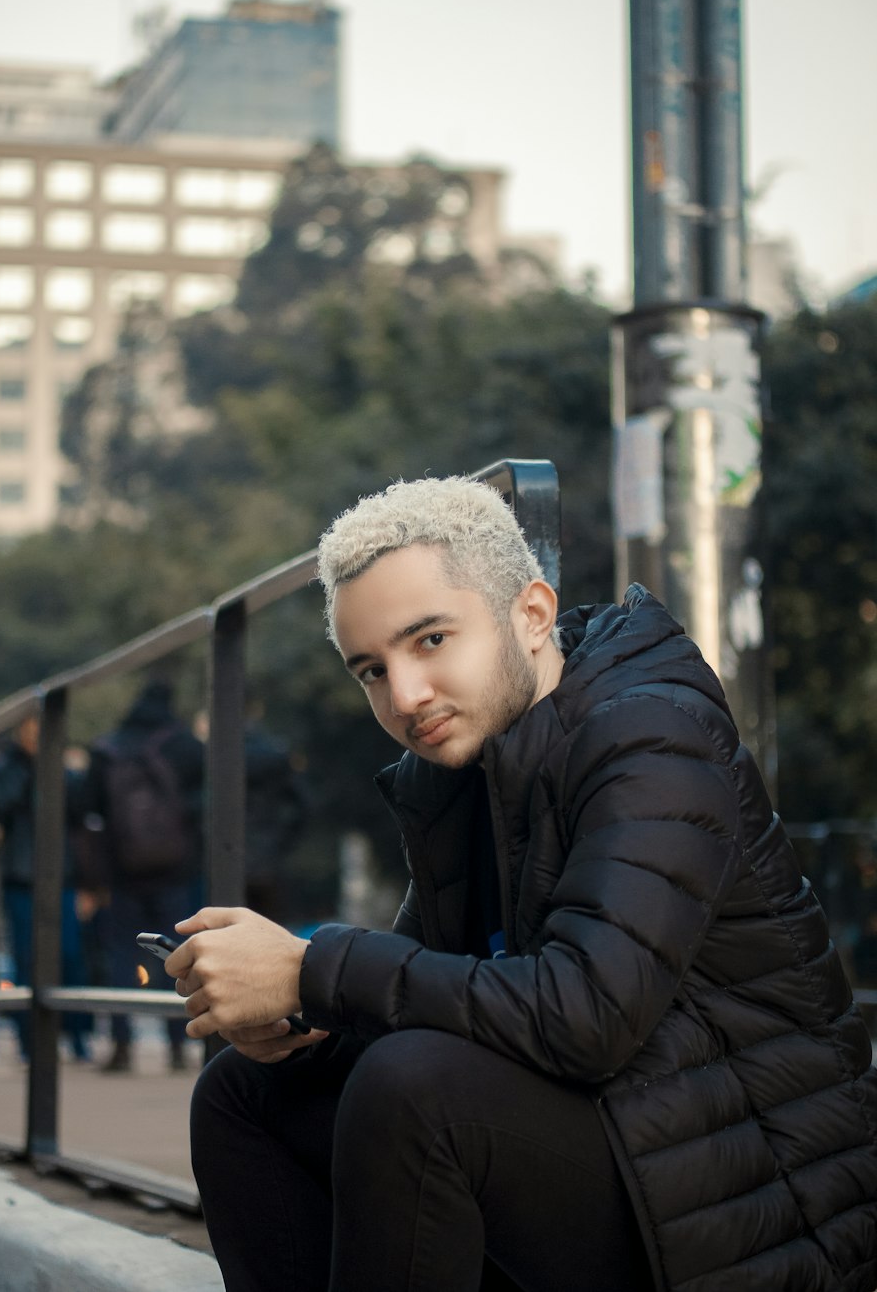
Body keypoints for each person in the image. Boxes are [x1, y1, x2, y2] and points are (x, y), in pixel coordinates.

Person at [168, 476, 877, 1292]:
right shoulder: (471, 767)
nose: (404, 696)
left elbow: (589, 1014)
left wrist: (312, 965)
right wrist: (300, 1012)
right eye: (370, 669)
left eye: (430, 639)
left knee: (416, 1095)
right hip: (634, 1147)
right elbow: (433, 982)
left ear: (532, 614)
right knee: (245, 1094)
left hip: (759, 1215)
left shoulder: (650, 737)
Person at [80, 677, 204, 1072]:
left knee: (120, 954)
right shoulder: (184, 745)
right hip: (175, 869)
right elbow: (206, 802)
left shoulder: (108, 749)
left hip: (123, 871)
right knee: (177, 954)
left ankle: (120, 1044)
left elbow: (84, 808)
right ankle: (178, 1044)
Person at [0, 715, 92, 1062]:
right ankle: (31, 1042)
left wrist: (71, 772)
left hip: (61, 877)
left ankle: (78, 1036)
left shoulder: (62, 768)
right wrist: (30, 770)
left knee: (71, 957)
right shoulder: (8, 769)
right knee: (26, 960)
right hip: (21, 877)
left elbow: (81, 812)